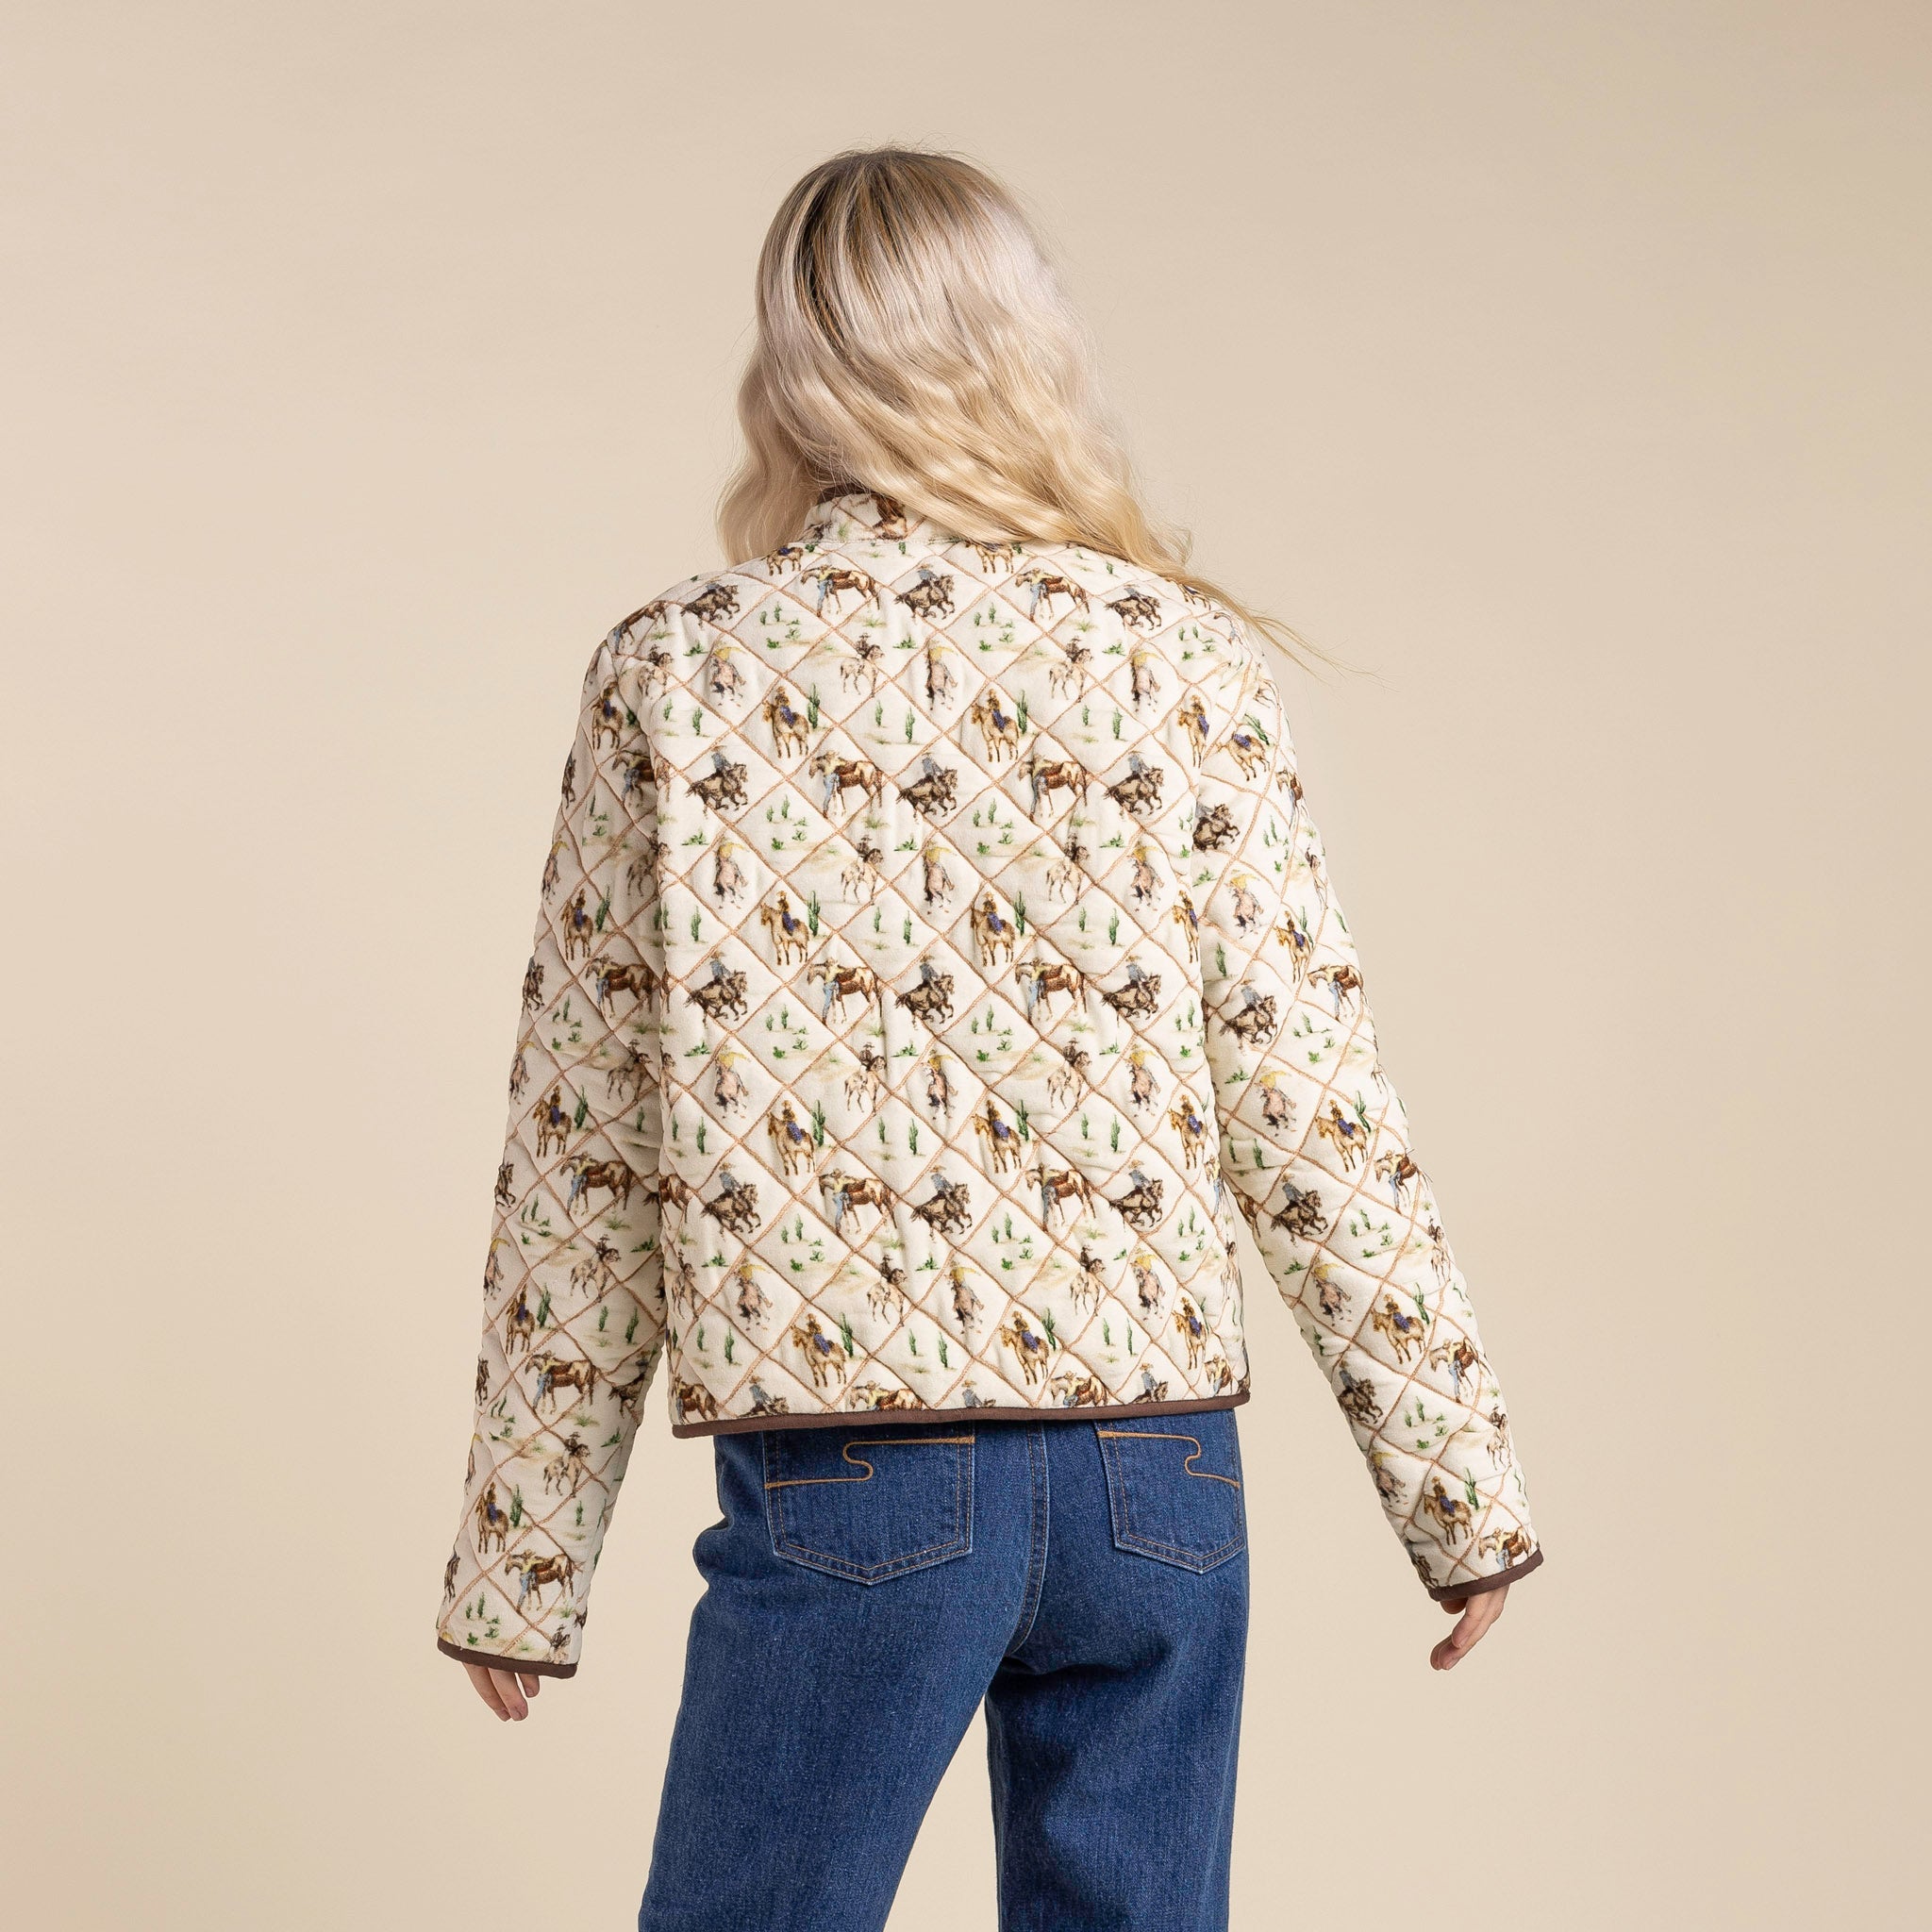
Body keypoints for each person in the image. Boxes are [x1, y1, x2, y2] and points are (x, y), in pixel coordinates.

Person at [434, 145, 1542, 1932]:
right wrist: (1460, 1495)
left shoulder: (679, 670)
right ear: (1030, 346)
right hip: (1155, 1479)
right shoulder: (1179, 658)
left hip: (856, 1470)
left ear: (790, 367)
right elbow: (1308, 1095)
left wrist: (523, 1557)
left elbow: (590, 1137)